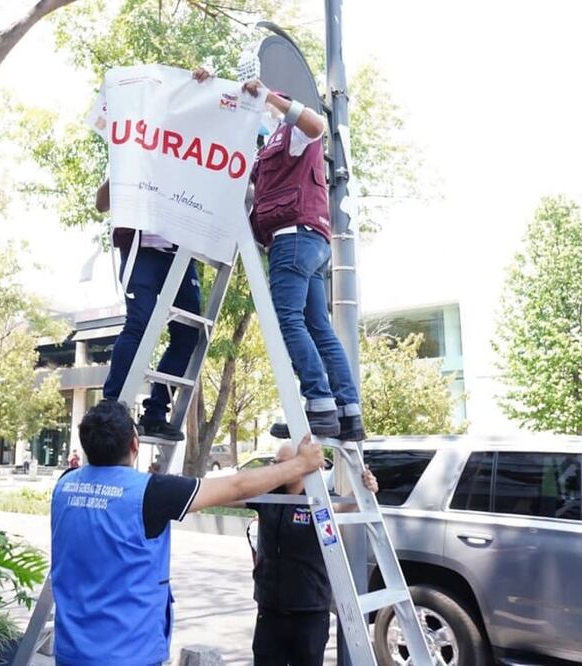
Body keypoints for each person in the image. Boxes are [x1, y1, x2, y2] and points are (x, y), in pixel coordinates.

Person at [50, 400, 324, 666]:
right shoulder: (149, 492)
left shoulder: (64, 484)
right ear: (134, 444)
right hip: (127, 652)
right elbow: (238, 486)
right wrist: (301, 464)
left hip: (71, 650)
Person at [194, 68, 365, 442]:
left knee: (289, 320)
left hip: (295, 238)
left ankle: (319, 405)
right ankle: (348, 413)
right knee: (319, 327)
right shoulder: (270, 146)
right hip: (310, 241)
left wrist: (269, 96)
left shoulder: (295, 132)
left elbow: (316, 124)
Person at [97, 102, 206, 441]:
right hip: (141, 251)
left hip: (179, 253)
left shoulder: (191, 155)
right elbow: (102, 203)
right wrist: (122, 168)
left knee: (190, 331)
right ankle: (112, 405)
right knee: (140, 324)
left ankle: (156, 410)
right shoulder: (135, 152)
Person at [244, 444, 379, 666]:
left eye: (282, 463)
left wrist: (364, 490)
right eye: (275, 463)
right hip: (270, 608)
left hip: (309, 611)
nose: (276, 468)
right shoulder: (268, 496)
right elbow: (233, 495)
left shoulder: (318, 499)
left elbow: (343, 508)